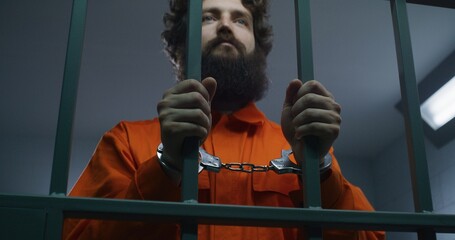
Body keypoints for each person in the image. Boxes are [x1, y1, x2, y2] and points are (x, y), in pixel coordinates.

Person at [63, 0, 385, 239]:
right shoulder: (127, 141)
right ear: (180, 46)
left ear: (257, 48)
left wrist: (319, 170)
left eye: (241, 20)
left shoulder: (301, 146)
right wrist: (166, 167)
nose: (225, 26)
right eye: (208, 17)